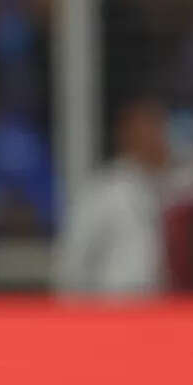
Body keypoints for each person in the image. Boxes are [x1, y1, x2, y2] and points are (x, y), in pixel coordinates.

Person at [56, 96, 174, 297]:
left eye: (158, 126)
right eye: (146, 127)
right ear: (126, 133)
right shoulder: (103, 191)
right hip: (113, 307)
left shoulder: (177, 187)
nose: (154, 135)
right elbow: (73, 264)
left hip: (163, 311)